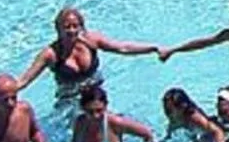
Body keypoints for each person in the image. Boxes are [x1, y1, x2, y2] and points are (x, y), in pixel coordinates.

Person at [15, 5, 158, 94]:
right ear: (58, 29)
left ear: (81, 26)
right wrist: (1, 96)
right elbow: (25, 80)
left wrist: (153, 48)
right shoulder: (50, 54)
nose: (72, 31)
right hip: (69, 97)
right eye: (67, 27)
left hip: (96, 92)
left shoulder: (91, 40)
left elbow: (123, 48)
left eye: (75, 26)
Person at [66, 84, 155, 142]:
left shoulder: (115, 123)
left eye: (99, 110)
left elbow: (147, 133)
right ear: (82, 108)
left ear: (106, 106)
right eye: (90, 112)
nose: (95, 116)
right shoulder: (80, 122)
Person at [161, 88, 226, 142]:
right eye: (165, 109)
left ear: (183, 107)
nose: (166, 113)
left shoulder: (194, 117)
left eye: (169, 110)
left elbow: (218, 131)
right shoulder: (174, 121)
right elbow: (168, 137)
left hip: (212, 133)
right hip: (199, 135)